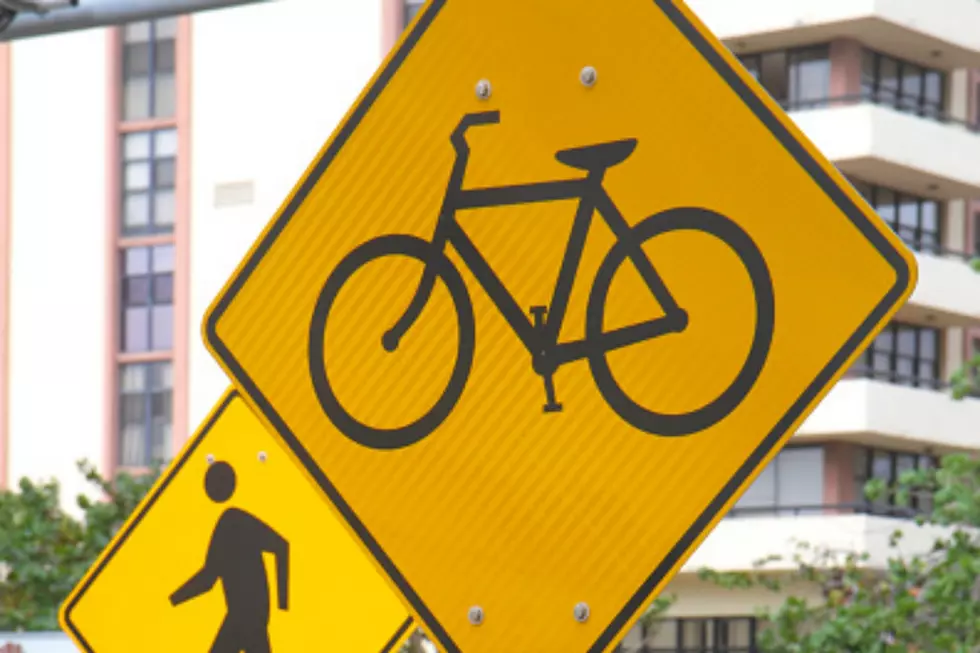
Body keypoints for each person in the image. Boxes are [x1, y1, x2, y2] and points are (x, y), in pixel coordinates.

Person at [170, 461, 289, 653]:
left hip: (248, 616)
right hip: (243, 615)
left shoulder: (235, 520)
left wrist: (283, 603)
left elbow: (282, 547)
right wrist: (173, 600)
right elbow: (209, 578)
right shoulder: (226, 524)